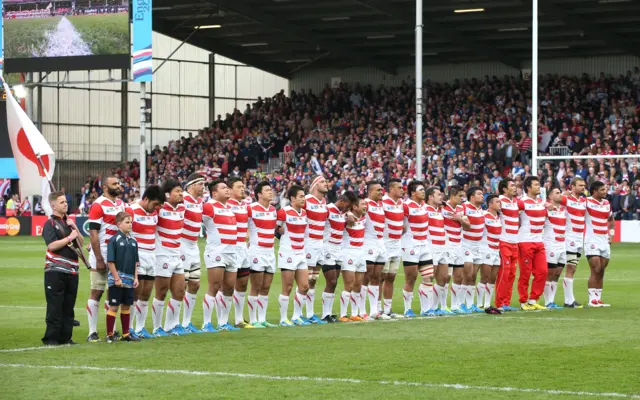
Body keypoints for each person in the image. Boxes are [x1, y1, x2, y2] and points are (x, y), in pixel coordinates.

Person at [86, 176, 126, 342]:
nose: (118, 186)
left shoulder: (121, 204)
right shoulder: (98, 205)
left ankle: (113, 330)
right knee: (97, 291)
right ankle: (92, 332)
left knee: (113, 294)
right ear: (104, 187)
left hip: (117, 256)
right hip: (101, 254)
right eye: (114, 184)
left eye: (118, 183)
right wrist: (99, 258)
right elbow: (93, 234)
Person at [41, 191, 83, 345]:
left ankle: (66, 337)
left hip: (72, 270)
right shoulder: (50, 224)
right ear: (53, 205)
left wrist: (75, 230)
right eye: (61, 202)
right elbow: (52, 245)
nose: (65, 204)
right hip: (55, 270)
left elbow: (81, 243)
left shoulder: (69, 222)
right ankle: (51, 337)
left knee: (68, 305)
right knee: (55, 305)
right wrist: (69, 238)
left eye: (66, 201)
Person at [201, 180, 240, 332]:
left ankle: (223, 322)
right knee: (214, 286)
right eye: (223, 188)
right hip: (216, 252)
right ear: (214, 193)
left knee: (229, 287)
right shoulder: (209, 206)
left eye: (227, 187)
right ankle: (206, 323)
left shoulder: (229, 208)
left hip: (232, 252)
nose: (227, 190)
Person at [151, 179, 187, 336]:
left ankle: (171, 325)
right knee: (161, 292)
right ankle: (156, 327)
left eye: (181, 191)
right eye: (177, 191)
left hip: (177, 254)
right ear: (167, 194)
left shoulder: (182, 208)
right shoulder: (159, 209)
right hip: (162, 255)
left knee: (180, 291)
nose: (180, 194)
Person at [127, 185, 164, 339]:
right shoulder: (131, 210)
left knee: (146, 292)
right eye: (155, 204)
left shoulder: (155, 212)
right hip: (137, 255)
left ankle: (140, 327)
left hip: (151, 255)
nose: (157, 208)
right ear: (146, 199)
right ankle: (127, 328)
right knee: (135, 292)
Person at [319, 192, 357, 323]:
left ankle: (328, 313)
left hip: (338, 249)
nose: (348, 209)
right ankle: (325, 314)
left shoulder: (343, 214)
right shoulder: (328, 209)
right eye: (347, 206)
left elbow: (352, 223)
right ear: (341, 201)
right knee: (332, 281)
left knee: (333, 283)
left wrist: (349, 214)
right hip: (327, 248)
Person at [246, 181, 279, 328]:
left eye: (270, 190)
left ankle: (263, 319)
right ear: (259, 194)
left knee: (266, 287)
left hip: (270, 252)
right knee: (256, 286)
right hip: (256, 251)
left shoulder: (273, 210)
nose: (270, 192)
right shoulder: (251, 208)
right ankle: (253, 320)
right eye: (267, 190)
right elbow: (241, 224)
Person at [276, 185, 310, 327]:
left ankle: (296, 316)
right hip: (288, 252)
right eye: (301, 196)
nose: (303, 199)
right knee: (288, 287)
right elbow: (275, 230)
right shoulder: (284, 212)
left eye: (304, 196)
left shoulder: (304, 214)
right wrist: (280, 231)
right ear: (292, 198)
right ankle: (283, 318)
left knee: (304, 286)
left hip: (301, 252)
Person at [105, 212, 141, 343]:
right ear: (118, 224)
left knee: (126, 306)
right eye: (127, 222)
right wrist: (116, 278)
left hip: (130, 279)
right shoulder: (114, 240)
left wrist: (136, 277)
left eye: (131, 222)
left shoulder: (133, 241)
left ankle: (126, 334)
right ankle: (109, 334)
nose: (130, 224)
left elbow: (136, 262)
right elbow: (110, 262)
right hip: (117, 279)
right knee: (114, 306)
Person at [400, 181, 432, 317]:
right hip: (410, 245)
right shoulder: (406, 206)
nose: (424, 191)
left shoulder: (425, 206)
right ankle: (407, 309)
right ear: (413, 193)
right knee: (411, 278)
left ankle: (426, 309)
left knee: (429, 276)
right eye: (421, 189)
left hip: (424, 245)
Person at [227, 177, 255, 329]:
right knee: (227, 285)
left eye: (243, 186)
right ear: (230, 190)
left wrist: (248, 234)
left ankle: (239, 319)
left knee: (243, 283)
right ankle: (222, 320)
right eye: (238, 187)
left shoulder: (245, 205)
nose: (242, 189)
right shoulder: (227, 205)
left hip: (244, 248)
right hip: (231, 247)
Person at [180, 173, 206, 333]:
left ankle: (186, 322)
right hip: (182, 245)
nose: (203, 187)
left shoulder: (200, 202)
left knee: (195, 284)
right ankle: (174, 323)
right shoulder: (182, 199)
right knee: (180, 286)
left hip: (194, 246)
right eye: (200, 184)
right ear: (191, 186)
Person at [517, 176, 547, 311]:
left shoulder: (541, 202)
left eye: (539, 184)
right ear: (528, 188)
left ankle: (533, 299)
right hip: (525, 241)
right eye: (536, 185)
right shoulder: (522, 202)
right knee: (525, 273)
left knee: (542, 272)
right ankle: (523, 302)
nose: (538, 187)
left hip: (539, 241)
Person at [302, 175, 329, 324]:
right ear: (315, 184)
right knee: (305, 281)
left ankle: (310, 313)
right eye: (323, 182)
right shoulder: (306, 200)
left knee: (313, 280)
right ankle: (300, 313)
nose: (326, 184)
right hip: (308, 243)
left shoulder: (324, 202)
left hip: (320, 244)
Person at [362, 181, 389, 320]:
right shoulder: (365, 203)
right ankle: (361, 311)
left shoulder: (380, 205)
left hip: (380, 243)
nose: (381, 192)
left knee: (377, 277)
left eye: (381, 190)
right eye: (378, 190)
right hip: (369, 242)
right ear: (370, 192)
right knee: (366, 275)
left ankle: (374, 310)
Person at [585, 181, 614, 307]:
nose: (605, 192)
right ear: (594, 191)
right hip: (592, 239)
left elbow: (611, 220)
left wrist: (611, 234)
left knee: (601, 270)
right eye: (602, 190)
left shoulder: (607, 203)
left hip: (604, 240)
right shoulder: (586, 202)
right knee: (595, 268)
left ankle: (598, 299)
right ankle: (591, 300)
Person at [339, 197, 367, 322]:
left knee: (358, 285)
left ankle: (355, 313)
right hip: (349, 253)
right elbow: (344, 217)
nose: (365, 206)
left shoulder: (363, 219)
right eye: (363, 204)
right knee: (348, 285)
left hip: (361, 253)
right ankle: (343, 314)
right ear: (355, 207)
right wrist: (348, 213)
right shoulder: (346, 218)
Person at [560, 177, 587, 308]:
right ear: (572, 186)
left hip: (579, 238)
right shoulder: (566, 199)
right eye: (580, 185)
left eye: (584, 185)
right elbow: (554, 198)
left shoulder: (583, 201)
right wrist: (563, 193)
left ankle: (569, 300)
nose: (583, 187)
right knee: (570, 267)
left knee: (573, 268)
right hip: (569, 237)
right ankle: (569, 300)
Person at [380, 178, 405, 318]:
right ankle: (377, 309)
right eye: (399, 187)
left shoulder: (402, 203)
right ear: (391, 189)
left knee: (391, 277)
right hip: (384, 243)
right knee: (380, 277)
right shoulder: (382, 203)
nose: (402, 190)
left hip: (397, 245)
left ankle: (388, 309)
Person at [495, 178, 519, 311]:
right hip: (504, 241)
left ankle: (506, 302)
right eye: (512, 186)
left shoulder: (515, 202)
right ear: (504, 189)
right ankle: (499, 303)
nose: (515, 188)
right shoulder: (500, 201)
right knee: (504, 272)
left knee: (512, 274)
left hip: (515, 242)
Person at [460, 186, 485, 313]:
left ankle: (469, 304)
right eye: (479, 194)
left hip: (478, 245)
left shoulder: (481, 210)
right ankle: (460, 303)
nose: (482, 196)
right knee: (467, 274)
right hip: (466, 244)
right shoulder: (464, 207)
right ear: (472, 197)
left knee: (473, 276)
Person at [441, 185, 465, 315]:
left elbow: (467, 225)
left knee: (459, 276)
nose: (463, 198)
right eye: (460, 196)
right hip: (447, 244)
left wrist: (461, 219)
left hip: (459, 245)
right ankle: (443, 305)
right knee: (446, 276)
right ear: (452, 195)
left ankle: (455, 305)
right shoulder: (443, 207)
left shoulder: (462, 208)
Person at [543, 187, 567, 309]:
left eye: (560, 193)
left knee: (557, 273)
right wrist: (545, 204)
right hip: (550, 244)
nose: (560, 195)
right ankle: (547, 301)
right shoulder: (546, 209)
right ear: (550, 196)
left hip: (562, 244)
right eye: (557, 193)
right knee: (550, 273)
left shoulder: (563, 209)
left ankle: (552, 300)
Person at [425, 186, 447, 316]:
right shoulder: (425, 209)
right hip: (431, 247)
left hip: (442, 247)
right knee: (429, 277)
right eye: (438, 194)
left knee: (443, 278)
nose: (441, 196)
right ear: (430, 197)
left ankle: (434, 306)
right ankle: (426, 308)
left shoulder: (440, 210)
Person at [479, 194, 502, 309]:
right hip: (486, 249)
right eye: (497, 202)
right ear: (490, 204)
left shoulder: (498, 217)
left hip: (496, 250)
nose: (499, 203)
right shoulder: (484, 215)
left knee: (493, 278)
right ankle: (479, 303)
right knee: (485, 277)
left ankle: (487, 303)